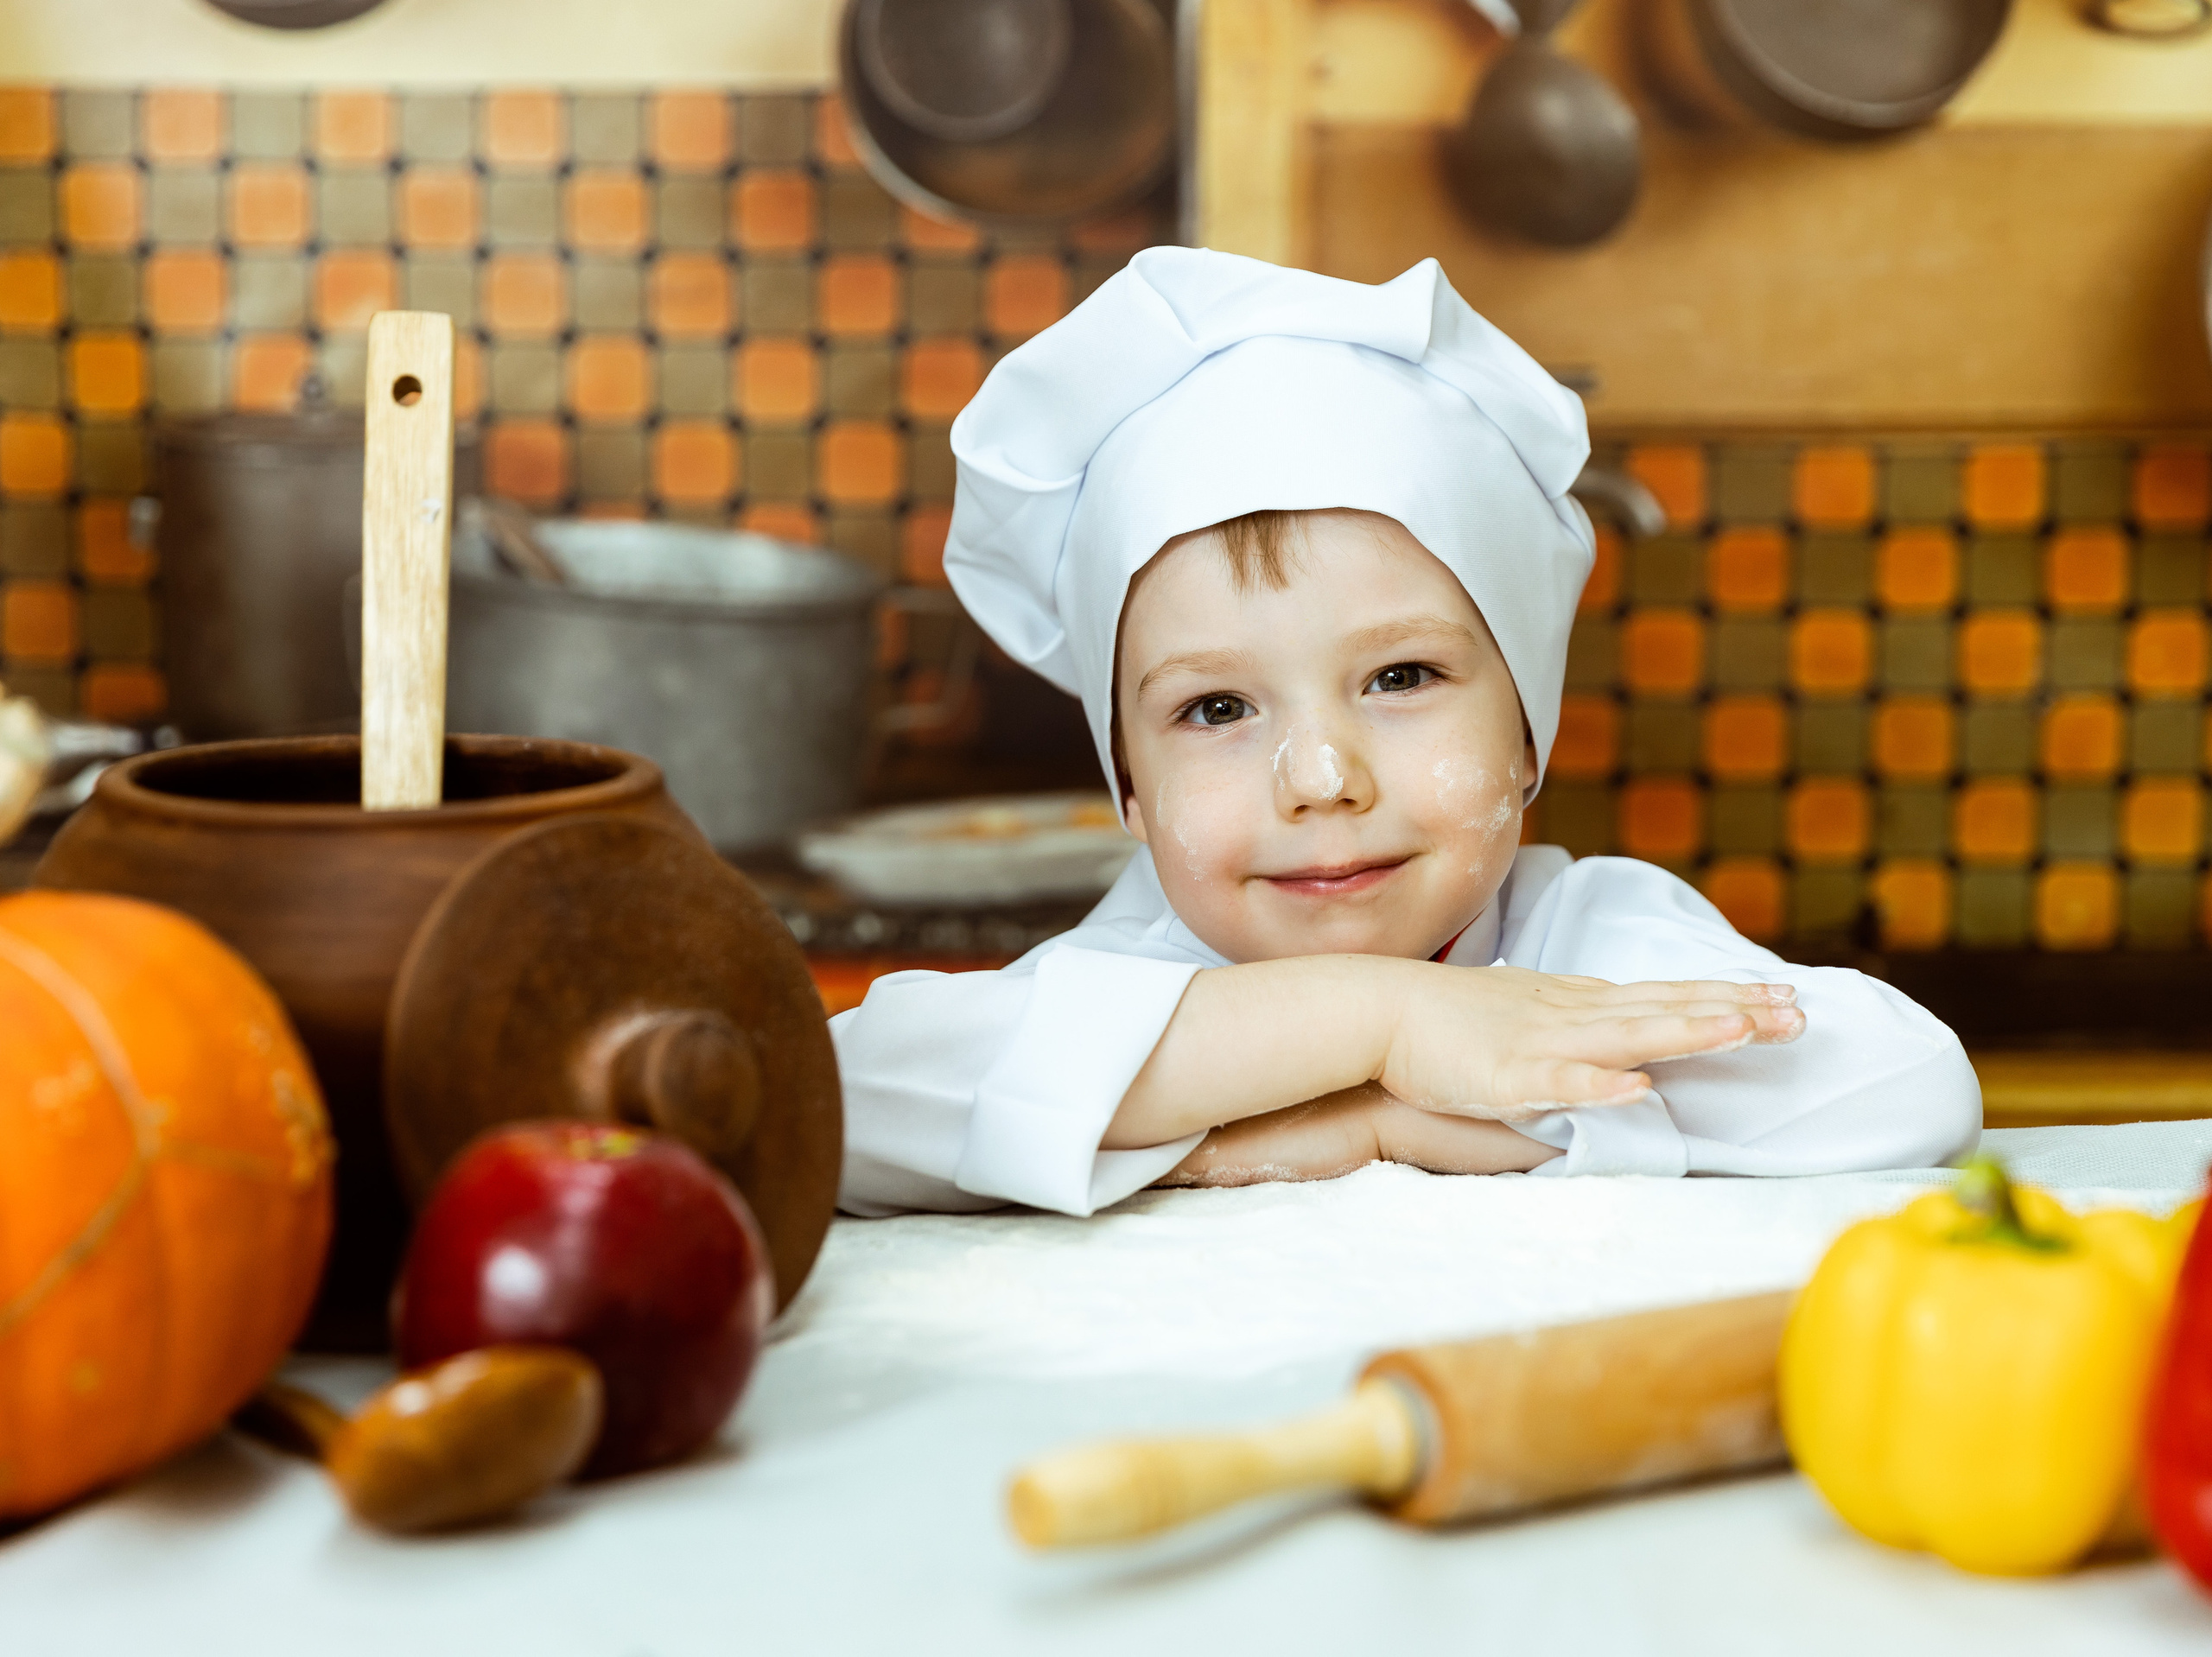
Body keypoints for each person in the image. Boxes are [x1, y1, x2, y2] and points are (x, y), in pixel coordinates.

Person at [834, 249, 1980, 1218]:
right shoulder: (1125, 969)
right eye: (1217, 708)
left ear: (1527, 732)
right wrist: (1385, 1022)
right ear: (1128, 785)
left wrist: (1376, 1123)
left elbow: (1907, 1085)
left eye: (1399, 676)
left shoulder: (1582, 937)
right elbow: (835, 1101)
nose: (1321, 778)